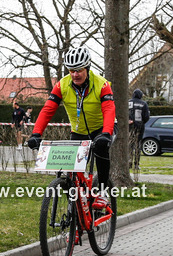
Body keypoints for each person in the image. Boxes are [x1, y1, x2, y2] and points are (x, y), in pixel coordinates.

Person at [27, 46, 115, 210]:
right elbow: (48, 109)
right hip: (79, 131)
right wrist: (35, 133)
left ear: (87, 68)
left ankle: (102, 191)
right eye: (71, 70)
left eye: (79, 70)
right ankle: (76, 206)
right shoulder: (62, 85)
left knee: (102, 151)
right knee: (71, 170)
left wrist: (106, 134)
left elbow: (109, 110)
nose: (75, 74)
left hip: (102, 129)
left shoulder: (101, 84)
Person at [128, 89, 150, 169]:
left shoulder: (128, 102)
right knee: (138, 144)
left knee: (129, 144)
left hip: (129, 126)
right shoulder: (143, 104)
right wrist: (142, 122)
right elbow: (146, 116)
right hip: (139, 126)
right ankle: (136, 164)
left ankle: (129, 161)